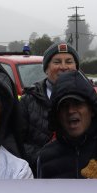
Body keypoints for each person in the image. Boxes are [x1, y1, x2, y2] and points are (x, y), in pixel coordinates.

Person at [17, 41, 80, 172]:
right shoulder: (28, 100)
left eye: (69, 62)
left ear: (76, 67)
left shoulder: (90, 101)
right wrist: (44, 157)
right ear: (46, 69)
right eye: (57, 62)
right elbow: (16, 142)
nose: (63, 67)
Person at [36, 71, 97, 179]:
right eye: (64, 106)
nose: (70, 111)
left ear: (92, 110)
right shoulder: (45, 157)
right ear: (57, 115)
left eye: (77, 104)